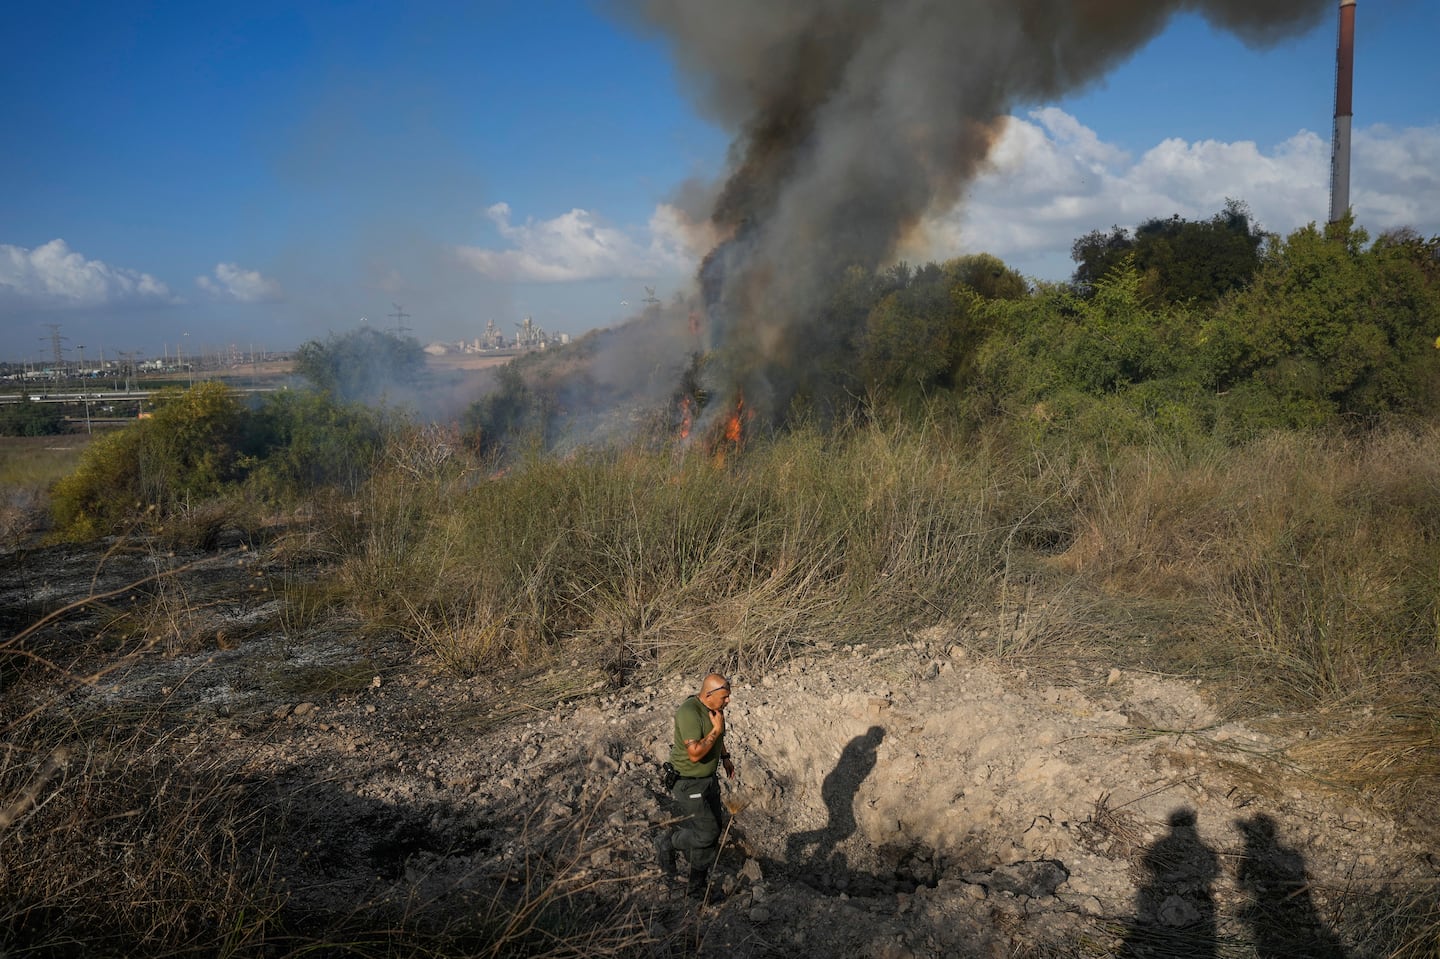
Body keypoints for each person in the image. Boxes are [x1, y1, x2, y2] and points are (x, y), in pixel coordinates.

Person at [655, 672, 735, 901]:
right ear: (708, 694)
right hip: (688, 782)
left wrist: (725, 757)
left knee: (713, 830)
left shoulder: (715, 710)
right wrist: (716, 730)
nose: (728, 701)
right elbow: (694, 754)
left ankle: (697, 883)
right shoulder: (689, 713)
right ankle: (669, 842)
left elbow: (717, 739)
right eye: (724, 697)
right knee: (707, 832)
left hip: (708, 779)